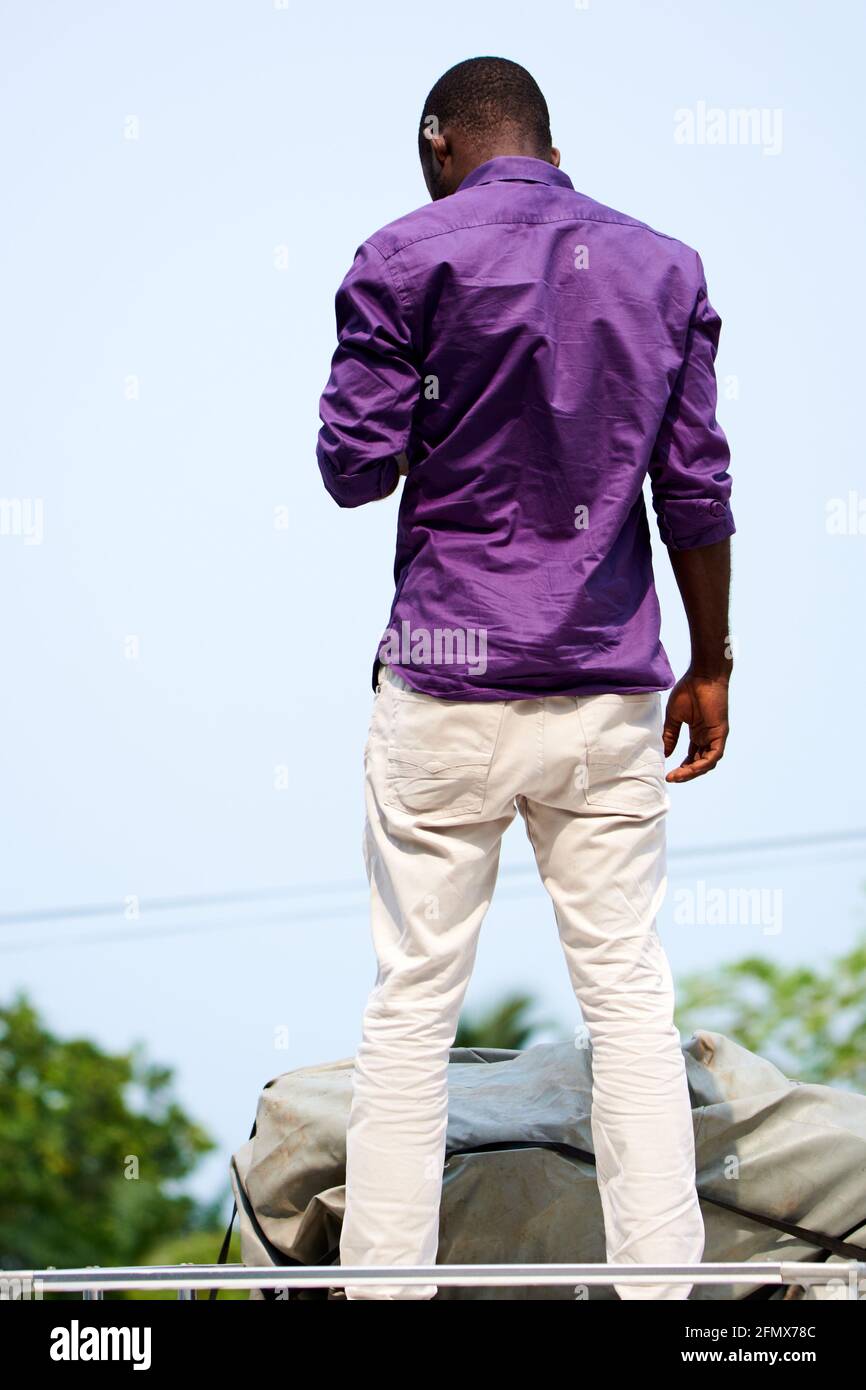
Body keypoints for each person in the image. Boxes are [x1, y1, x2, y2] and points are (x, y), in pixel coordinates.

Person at [316, 55, 734, 1301]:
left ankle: (384, 1297)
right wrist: (709, 663)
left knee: (409, 1009)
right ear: (547, 144)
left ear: (439, 140)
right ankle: (660, 1297)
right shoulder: (664, 268)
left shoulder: (402, 256)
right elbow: (695, 491)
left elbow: (352, 467)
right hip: (606, 690)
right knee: (628, 1001)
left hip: (445, 683)